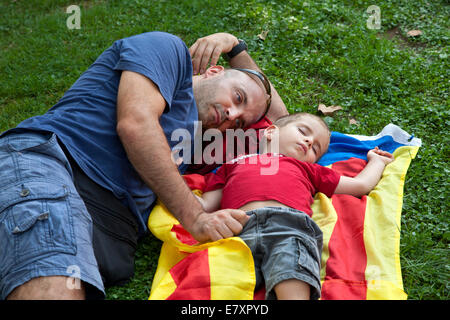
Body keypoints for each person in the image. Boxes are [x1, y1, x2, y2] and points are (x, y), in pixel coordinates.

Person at [0, 31, 288, 300]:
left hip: (104, 229)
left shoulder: (196, 144)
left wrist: (239, 52)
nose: (231, 114)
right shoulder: (166, 50)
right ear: (213, 71)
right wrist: (196, 218)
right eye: (237, 97)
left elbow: (282, 122)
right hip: (56, 165)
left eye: (238, 122)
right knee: (52, 274)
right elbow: (136, 124)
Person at [197, 112, 394, 300]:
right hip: (237, 230)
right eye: (303, 131)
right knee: (222, 283)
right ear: (271, 132)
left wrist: (377, 161)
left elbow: (360, 185)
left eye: (315, 149)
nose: (309, 142)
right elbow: (205, 205)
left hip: (288, 227)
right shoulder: (233, 164)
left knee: (292, 271)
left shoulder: (309, 169)